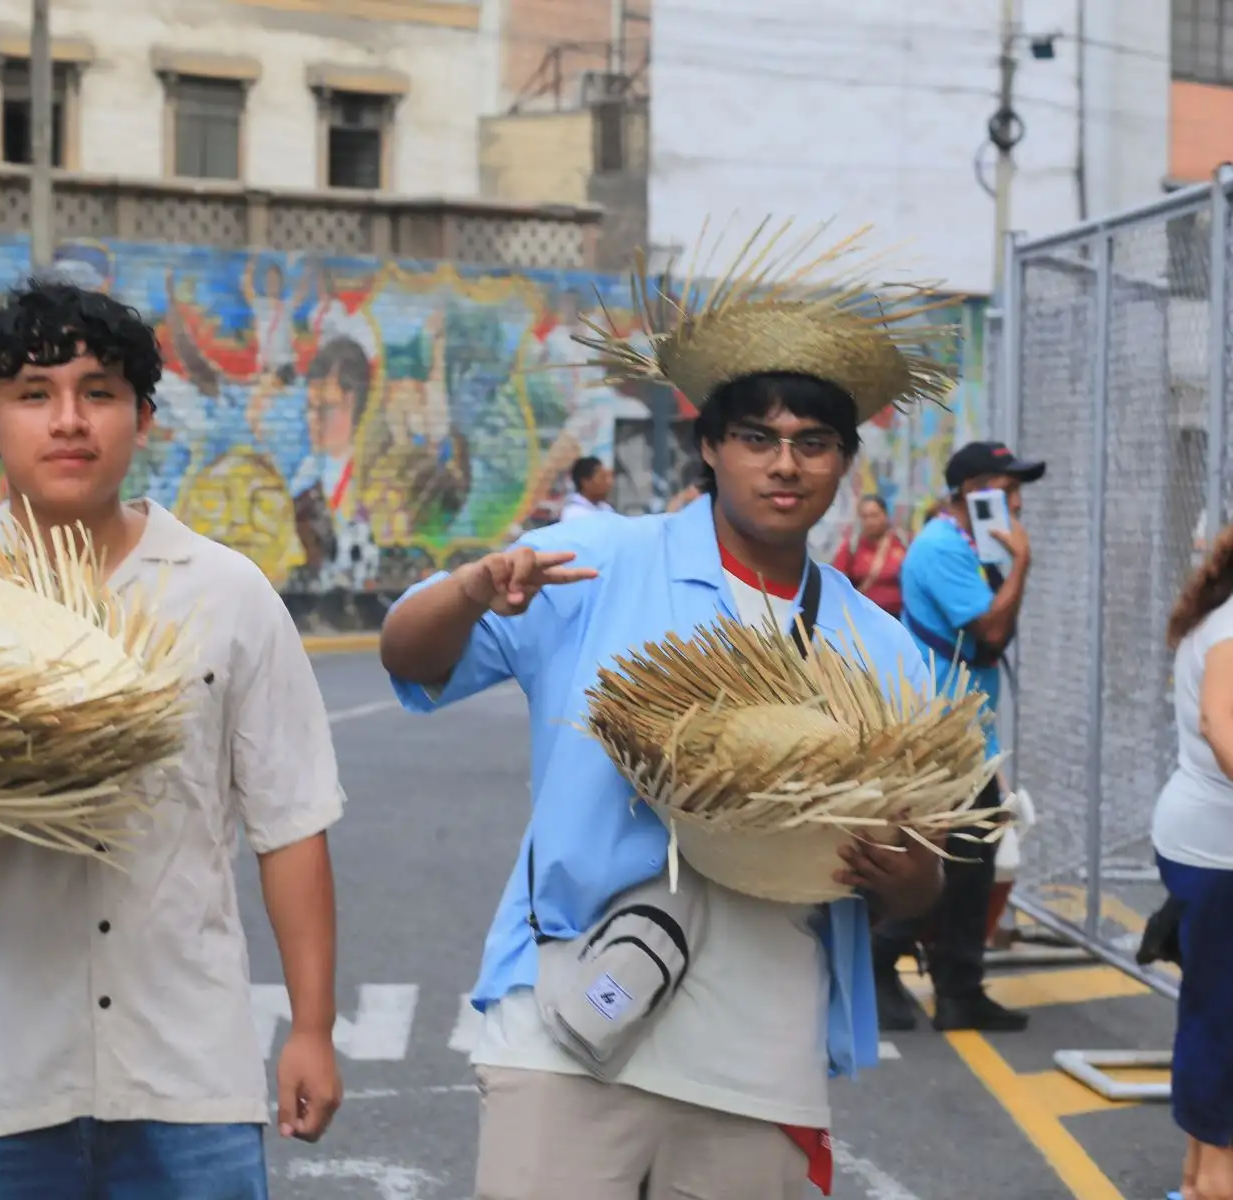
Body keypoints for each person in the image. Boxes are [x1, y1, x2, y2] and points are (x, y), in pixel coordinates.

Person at [378, 231, 951, 1200]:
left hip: (762, 1055)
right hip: (571, 1024)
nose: (785, 465)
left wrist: (906, 878)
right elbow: (410, 657)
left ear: (844, 461)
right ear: (711, 448)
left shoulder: (883, 649)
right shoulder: (595, 558)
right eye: (759, 438)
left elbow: (921, 873)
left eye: (813, 444)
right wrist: (474, 587)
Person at [0, 278, 347, 1198]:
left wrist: (311, 1027)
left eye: (99, 393)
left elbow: (292, 822)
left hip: (187, 1084)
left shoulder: (226, 595)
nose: (69, 420)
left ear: (141, 417)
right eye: (35, 395)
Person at [879, 441, 1043, 1033]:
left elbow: (991, 641)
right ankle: (880, 961)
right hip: (940, 730)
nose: (1019, 503)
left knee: (971, 858)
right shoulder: (945, 548)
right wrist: (1020, 564)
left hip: (963, 728)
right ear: (975, 492)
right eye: (1008, 489)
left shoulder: (971, 547)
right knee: (947, 853)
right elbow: (992, 627)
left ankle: (958, 989)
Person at [1154, 525, 1233, 1200]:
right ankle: (1213, 1183)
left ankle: (1199, 1177)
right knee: (1220, 1018)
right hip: (1219, 853)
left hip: (1204, 845)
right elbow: (1223, 728)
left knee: (1214, 1010)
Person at [830, 493, 908, 617]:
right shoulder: (852, 547)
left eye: (874, 515)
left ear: (885, 516)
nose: (869, 521)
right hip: (863, 616)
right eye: (865, 517)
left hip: (898, 617)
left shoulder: (902, 543)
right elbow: (836, 582)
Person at [560, 455, 615, 521]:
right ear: (585, 482)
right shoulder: (574, 513)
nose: (608, 483)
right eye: (602, 477)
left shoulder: (606, 508)